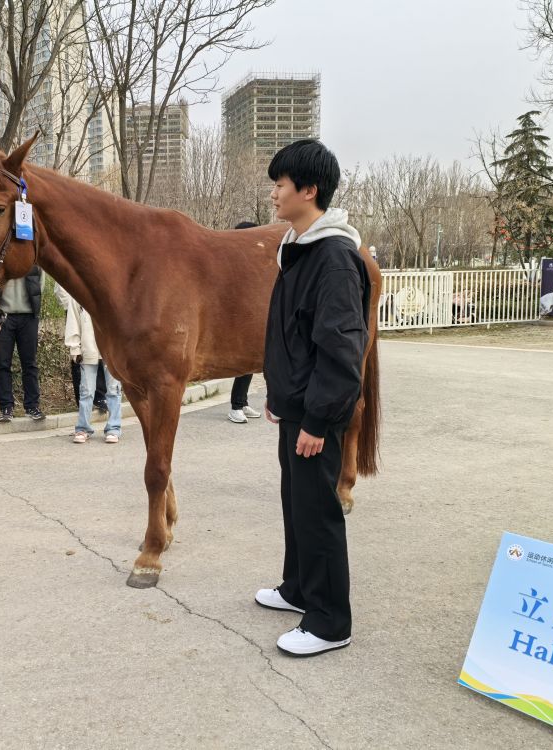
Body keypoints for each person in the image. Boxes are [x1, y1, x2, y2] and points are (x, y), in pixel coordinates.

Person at [256, 139, 371, 658]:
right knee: (296, 501)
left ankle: (329, 621)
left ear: (309, 189)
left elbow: (341, 351)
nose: (274, 193)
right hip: (297, 406)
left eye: (280, 184)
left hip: (317, 414)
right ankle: (298, 588)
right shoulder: (298, 249)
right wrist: (279, 395)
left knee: (319, 509)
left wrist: (318, 421)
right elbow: (291, 336)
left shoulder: (334, 258)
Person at [63, 292, 122, 444]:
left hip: (112, 350)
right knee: (86, 391)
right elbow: (73, 321)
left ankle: (114, 428)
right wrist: (74, 348)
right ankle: (83, 428)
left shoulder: (114, 291)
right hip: (88, 349)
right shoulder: (78, 295)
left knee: (114, 390)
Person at [0, 266, 45, 422]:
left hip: (29, 316)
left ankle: (32, 406)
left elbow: (40, 281)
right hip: (2, 316)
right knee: (2, 364)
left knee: (30, 363)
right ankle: (6, 407)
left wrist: (34, 304)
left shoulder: (31, 259)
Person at [228, 221, 264, 424]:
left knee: (250, 362)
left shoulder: (247, 261)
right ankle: (235, 406)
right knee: (243, 363)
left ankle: (242, 401)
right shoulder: (233, 262)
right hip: (236, 320)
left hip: (248, 317)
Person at [53, 282, 107, 411]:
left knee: (97, 351)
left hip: (93, 307)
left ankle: (99, 396)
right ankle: (82, 398)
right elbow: (60, 286)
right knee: (77, 353)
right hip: (76, 308)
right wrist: (70, 306)